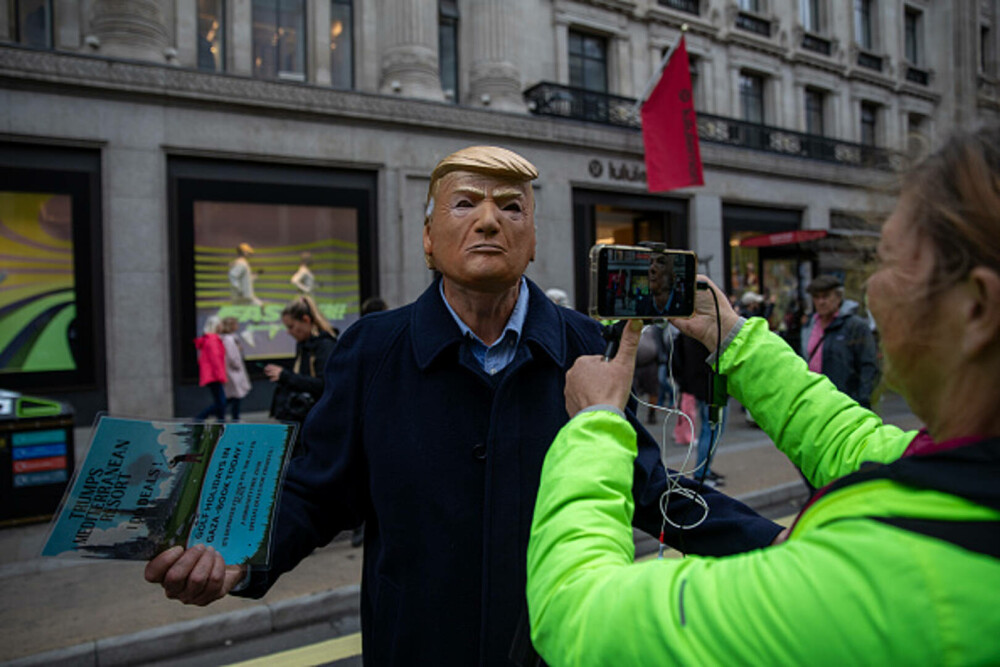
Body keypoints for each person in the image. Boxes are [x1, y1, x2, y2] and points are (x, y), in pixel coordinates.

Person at [144, 146, 780, 665]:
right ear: (428, 239)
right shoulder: (372, 350)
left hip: (551, 648)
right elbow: (316, 492)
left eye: (511, 207)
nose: (488, 220)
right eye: (465, 203)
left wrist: (778, 540)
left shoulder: (584, 344)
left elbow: (647, 487)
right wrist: (235, 558)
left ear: (532, 242)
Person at [526, 126, 1000, 665]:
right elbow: (856, 445)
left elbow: (577, 615)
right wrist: (733, 337)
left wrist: (596, 424)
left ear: (977, 307)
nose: (869, 288)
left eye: (887, 261)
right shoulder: (959, 475)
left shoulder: (877, 581)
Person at [265, 295, 338, 455]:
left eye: (291, 326)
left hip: (316, 423)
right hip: (303, 421)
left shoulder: (324, 346)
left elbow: (323, 385)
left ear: (306, 320)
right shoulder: (305, 345)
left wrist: (286, 376)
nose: (289, 332)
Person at [801, 273, 880, 408]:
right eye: (816, 297)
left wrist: (861, 401)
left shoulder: (855, 326)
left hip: (846, 404)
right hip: (815, 403)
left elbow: (869, 366)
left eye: (826, 296)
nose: (821, 302)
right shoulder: (809, 325)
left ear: (838, 297)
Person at [671, 331, 727, 485]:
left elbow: (678, 359)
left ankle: (704, 469)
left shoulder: (687, 330)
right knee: (713, 429)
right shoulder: (712, 327)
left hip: (700, 384)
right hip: (715, 384)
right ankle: (702, 473)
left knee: (710, 429)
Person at [193, 316, 226, 421]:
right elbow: (216, 360)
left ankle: (221, 420)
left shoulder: (209, 339)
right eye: (220, 324)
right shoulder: (213, 340)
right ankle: (200, 417)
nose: (222, 327)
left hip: (211, 375)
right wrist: (221, 376)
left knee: (219, 401)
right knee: (221, 402)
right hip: (214, 375)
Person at [219, 316, 251, 420]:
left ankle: (233, 417)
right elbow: (232, 357)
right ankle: (234, 418)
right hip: (233, 371)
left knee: (234, 397)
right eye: (235, 324)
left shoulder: (230, 338)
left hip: (232, 371)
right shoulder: (229, 340)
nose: (238, 326)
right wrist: (237, 364)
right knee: (234, 397)